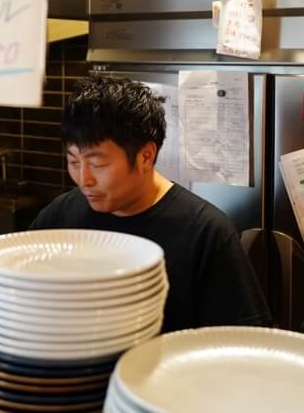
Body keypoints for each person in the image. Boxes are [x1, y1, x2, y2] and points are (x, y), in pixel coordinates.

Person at [30, 75, 272, 333]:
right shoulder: (62, 215)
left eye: (98, 164)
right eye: (74, 162)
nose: (84, 179)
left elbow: (239, 341)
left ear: (146, 156)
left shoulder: (207, 232)